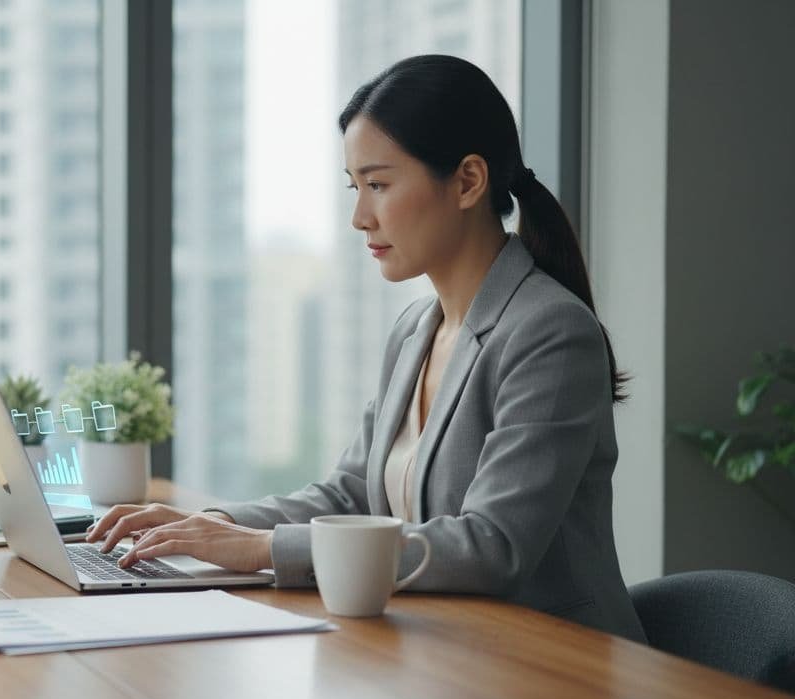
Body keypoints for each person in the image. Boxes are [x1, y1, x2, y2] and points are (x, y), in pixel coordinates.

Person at [84, 54, 647, 642]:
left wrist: (258, 549)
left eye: (378, 185)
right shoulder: (414, 330)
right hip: (447, 655)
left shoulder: (549, 331)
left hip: (555, 668)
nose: (359, 217)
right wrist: (212, 525)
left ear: (468, 181)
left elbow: (493, 546)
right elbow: (352, 492)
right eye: (356, 187)